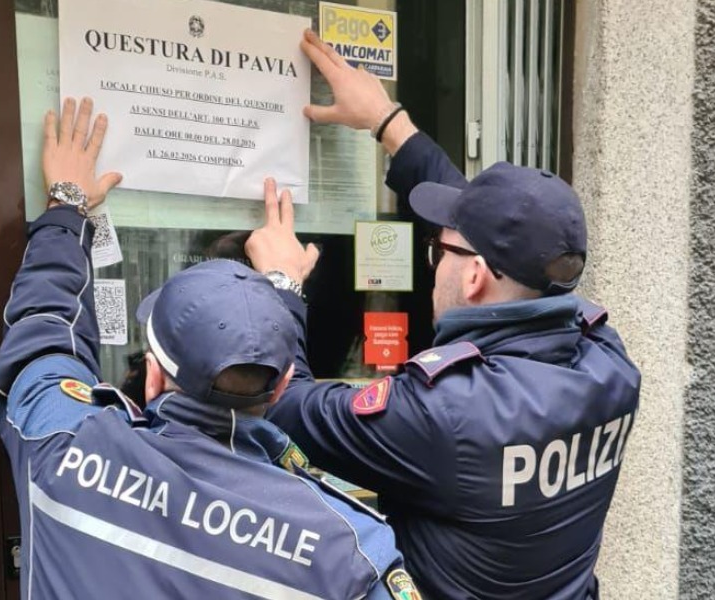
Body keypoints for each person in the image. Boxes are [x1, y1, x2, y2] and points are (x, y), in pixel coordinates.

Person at [243, 30, 642, 600]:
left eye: (438, 248)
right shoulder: (607, 360)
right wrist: (387, 121)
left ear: (475, 276)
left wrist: (281, 283)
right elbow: (500, 230)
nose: (433, 259)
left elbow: (285, 404)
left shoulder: (445, 413)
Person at [0, 96, 422, 599]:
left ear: (151, 376)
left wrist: (67, 206)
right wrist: (281, 289)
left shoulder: (63, 444)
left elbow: (41, 337)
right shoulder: (349, 551)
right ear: (283, 386)